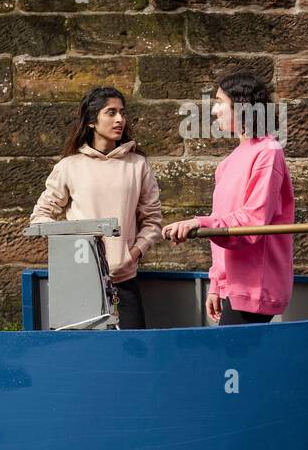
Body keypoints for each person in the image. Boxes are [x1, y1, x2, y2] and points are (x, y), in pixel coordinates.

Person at [162, 72, 294, 325]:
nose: (214, 111)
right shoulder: (229, 162)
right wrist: (217, 283)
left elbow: (252, 221)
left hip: (256, 284)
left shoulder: (268, 152)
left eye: (220, 102)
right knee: (234, 361)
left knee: (234, 361)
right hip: (233, 286)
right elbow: (222, 222)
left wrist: (198, 223)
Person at [29, 86, 162, 329]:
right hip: (79, 282)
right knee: (82, 358)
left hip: (124, 281)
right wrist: (71, 245)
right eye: (110, 112)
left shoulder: (138, 165)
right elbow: (40, 217)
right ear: (92, 120)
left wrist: (131, 256)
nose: (120, 119)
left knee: (133, 356)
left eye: (122, 112)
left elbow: (153, 221)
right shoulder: (69, 166)